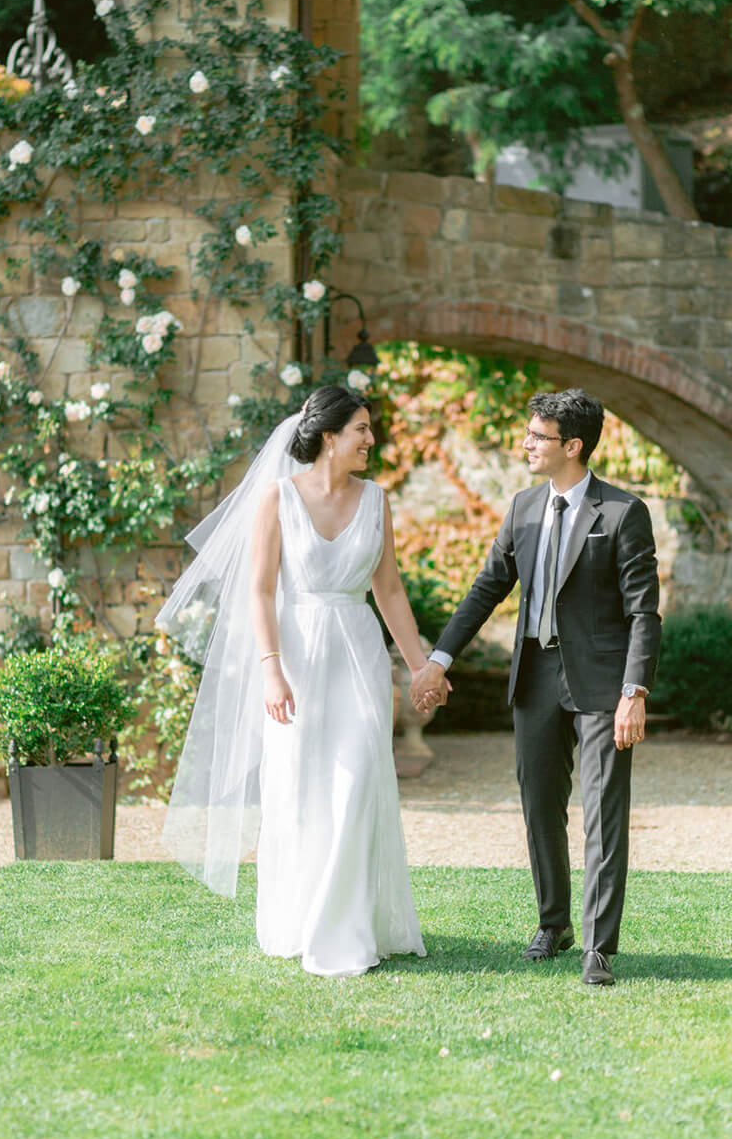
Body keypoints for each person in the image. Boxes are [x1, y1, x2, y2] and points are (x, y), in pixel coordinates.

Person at [156, 387, 429, 978]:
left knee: (356, 783)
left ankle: (347, 931)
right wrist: (270, 670)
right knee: (299, 790)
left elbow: (389, 591)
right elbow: (258, 590)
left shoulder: (376, 500)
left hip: (357, 654)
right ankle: (301, 919)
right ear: (329, 436)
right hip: (295, 658)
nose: (371, 440)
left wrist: (419, 665)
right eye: (361, 429)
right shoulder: (277, 498)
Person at [411, 388, 661, 987]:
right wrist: (439, 658)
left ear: (572, 446)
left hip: (604, 683)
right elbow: (486, 588)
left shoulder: (623, 513)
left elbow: (644, 613)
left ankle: (598, 944)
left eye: (537, 436)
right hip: (536, 677)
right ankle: (554, 923)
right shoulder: (523, 508)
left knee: (603, 810)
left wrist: (635, 691)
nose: (525, 443)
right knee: (539, 804)